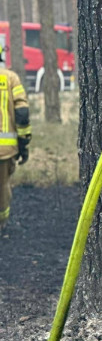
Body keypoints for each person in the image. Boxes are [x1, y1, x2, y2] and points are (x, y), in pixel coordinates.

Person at [0, 45, 31, 229]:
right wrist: (24, 142)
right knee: (2, 188)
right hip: (4, 150)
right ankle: (2, 225)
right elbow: (22, 113)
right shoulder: (10, 78)